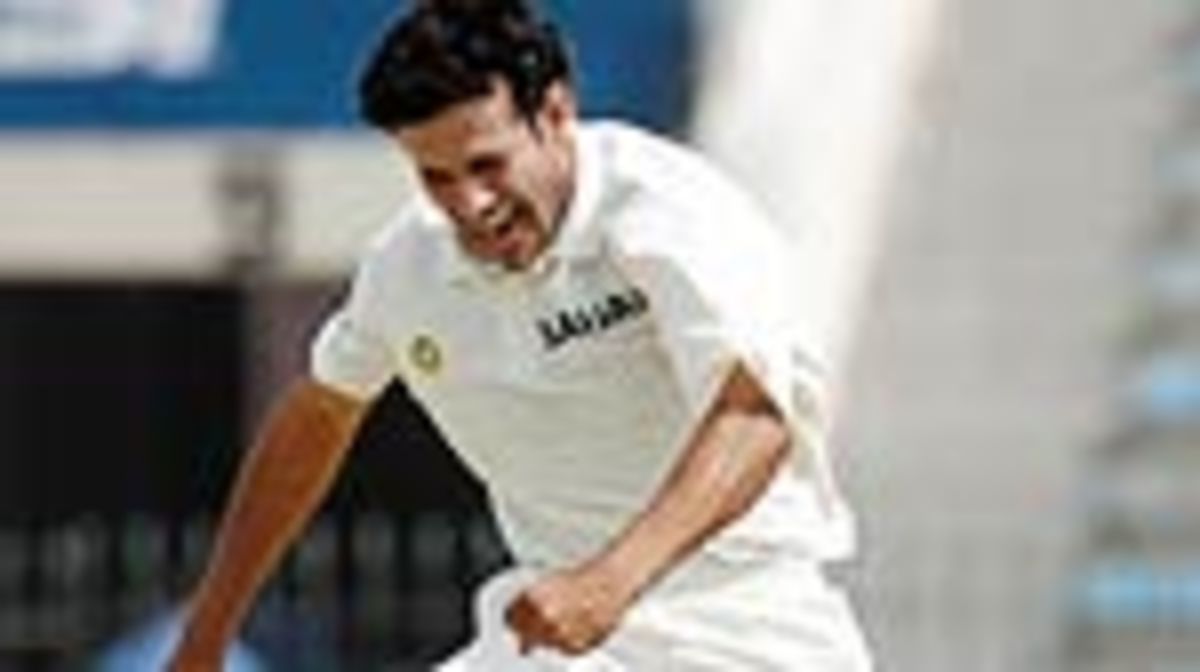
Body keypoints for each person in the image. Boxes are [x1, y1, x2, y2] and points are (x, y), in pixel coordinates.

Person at [168, 0, 872, 669]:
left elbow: (754, 421)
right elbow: (319, 414)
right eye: (436, 177)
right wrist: (206, 636)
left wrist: (610, 584)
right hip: (553, 637)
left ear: (556, 113)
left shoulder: (668, 214)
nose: (470, 204)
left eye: (487, 165)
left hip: (751, 634)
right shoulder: (409, 267)